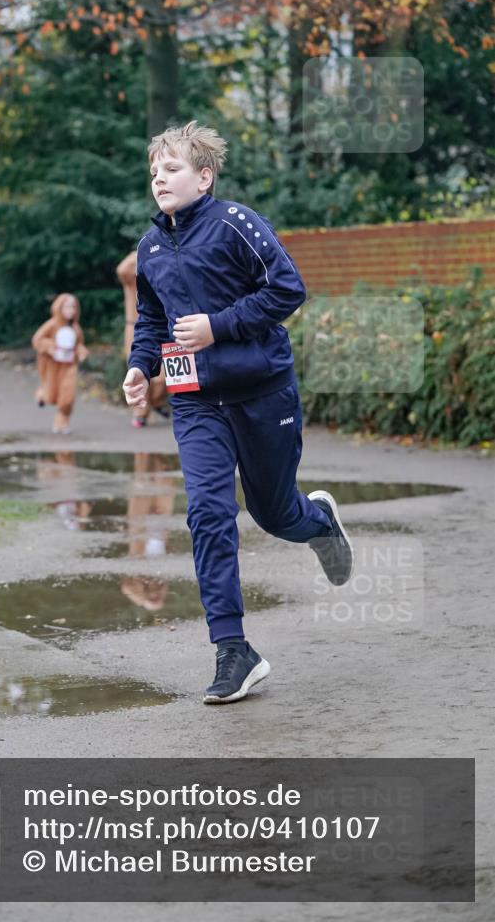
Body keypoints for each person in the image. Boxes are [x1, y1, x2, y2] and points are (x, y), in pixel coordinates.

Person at [122, 120, 354, 705]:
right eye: (154, 171)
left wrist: (217, 328)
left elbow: (288, 289)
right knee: (207, 512)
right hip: (194, 400)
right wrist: (138, 366)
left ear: (204, 176)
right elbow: (151, 319)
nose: (159, 178)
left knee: (275, 515)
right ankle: (233, 650)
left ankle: (318, 521)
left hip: (261, 391)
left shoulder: (235, 223)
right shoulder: (149, 247)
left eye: (171, 169)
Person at [116, 250, 169, 428]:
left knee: (162, 378)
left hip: (162, 328)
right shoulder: (132, 282)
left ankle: (156, 402)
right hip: (134, 326)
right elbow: (123, 269)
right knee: (139, 369)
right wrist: (144, 250)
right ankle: (140, 413)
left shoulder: (162, 275)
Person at [32, 293, 88, 434]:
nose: (71, 310)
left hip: (69, 366)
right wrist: (51, 347)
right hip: (52, 365)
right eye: (67, 307)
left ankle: (62, 421)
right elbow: (37, 340)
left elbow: (79, 344)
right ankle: (42, 394)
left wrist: (81, 352)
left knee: (67, 395)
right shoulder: (52, 325)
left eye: (74, 307)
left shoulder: (76, 328)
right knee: (51, 395)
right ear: (59, 308)